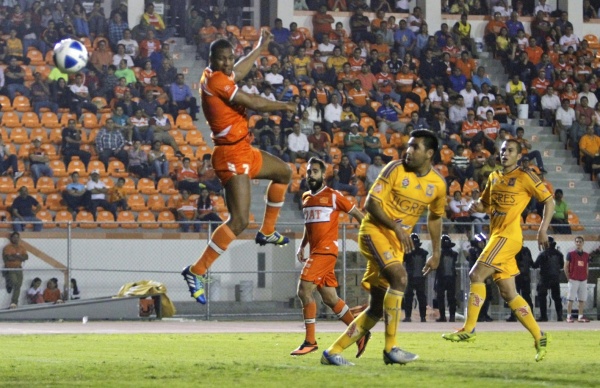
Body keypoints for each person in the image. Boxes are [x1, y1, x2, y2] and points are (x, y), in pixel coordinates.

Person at [181, 30, 296, 305]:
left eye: (230, 57)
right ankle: (195, 271)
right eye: (222, 59)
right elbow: (253, 102)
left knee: (284, 173)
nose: (228, 63)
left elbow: (239, 69)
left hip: (243, 148)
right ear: (211, 60)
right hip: (230, 154)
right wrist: (284, 105)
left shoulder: (221, 74)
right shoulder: (216, 80)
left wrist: (258, 48)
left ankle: (267, 231)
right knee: (240, 220)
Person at [321, 130, 445, 366]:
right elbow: (371, 203)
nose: (408, 150)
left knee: (377, 308)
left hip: (396, 244)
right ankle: (391, 348)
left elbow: (435, 218)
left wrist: (436, 252)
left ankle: (332, 352)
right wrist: (397, 228)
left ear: (429, 153)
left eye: (415, 147)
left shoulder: (438, 184)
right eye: (408, 145)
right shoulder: (394, 169)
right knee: (400, 277)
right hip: (374, 232)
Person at [443, 138, 554, 362]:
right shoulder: (493, 177)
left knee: (476, 274)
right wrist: (478, 207)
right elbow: (485, 205)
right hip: (497, 236)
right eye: (503, 150)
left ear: (518, 156)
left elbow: (549, 201)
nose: (505, 153)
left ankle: (469, 329)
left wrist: (542, 230)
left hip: (508, 236)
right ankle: (539, 335)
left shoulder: (525, 176)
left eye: (510, 150)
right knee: (508, 293)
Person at [292, 157, 369, 356]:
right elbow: (309, 227)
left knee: (303, 290)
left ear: (323, 175)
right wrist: (302, 246)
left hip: (326, 251)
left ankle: (310, 341)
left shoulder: (333, 196)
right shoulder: (306, 198)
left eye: (315, 171)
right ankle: (359, 333)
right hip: (316, 250)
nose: (311, 175)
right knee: (330, 298)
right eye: (309, 171)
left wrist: (369, 236)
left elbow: (358, 215)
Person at [534, 236, 564, 322]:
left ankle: (544, 316)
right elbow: (561, 265)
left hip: (545, 278)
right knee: (557, 297)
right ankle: (559, 316)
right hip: (555, 278)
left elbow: (535, 265)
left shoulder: (543, 254)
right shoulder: (559, 254)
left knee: (542, 296)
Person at [402, 233, 429, 323]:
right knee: (421, 298)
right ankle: (423, 317)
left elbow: (403, 260)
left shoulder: (407, 253)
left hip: (410, 278)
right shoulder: (424, 253)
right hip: (420, 278)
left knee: (408, 298)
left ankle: (408, 317)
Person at [564, 236, 591, 323]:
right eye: (577, 242)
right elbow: (565, 266)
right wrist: (569, 278)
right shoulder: (570, 254)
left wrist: (586, 277)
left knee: (582, 299)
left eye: (580, 242)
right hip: (573, 279)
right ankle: (568, 316)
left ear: (583, 243)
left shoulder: (586, 255)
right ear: (575, 243)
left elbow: (587, 267)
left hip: (583, 280)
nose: (578, 243)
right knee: (570, 299)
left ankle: (580, 316)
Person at [506, 246, 535, 321]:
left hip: (516, 276)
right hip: (526, 276)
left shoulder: (513, 250)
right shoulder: (526, 250)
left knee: (514, 296)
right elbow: (531, 263)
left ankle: (514, 315)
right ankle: (531, 313)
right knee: (526, 296)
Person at [2, 232, 28, 309]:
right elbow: (9, 258)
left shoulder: (21, 247)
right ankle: (9, 284)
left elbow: (26, 257)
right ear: (11, 238)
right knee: (14, 282)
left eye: (17, 237)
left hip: (19, 268)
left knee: (18, 286)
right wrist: (20, 257)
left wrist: (14, 256)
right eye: (14, 237)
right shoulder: (7, 247)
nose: (15, 239)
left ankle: (14, 302)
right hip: (10, 268)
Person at [435, 235, 458, 322]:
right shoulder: (454, 254)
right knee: (451, 298)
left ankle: (443, 317)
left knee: (441, 298)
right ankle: (452, 316)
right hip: (451, 278)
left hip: (441, 278)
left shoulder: (439, 254)